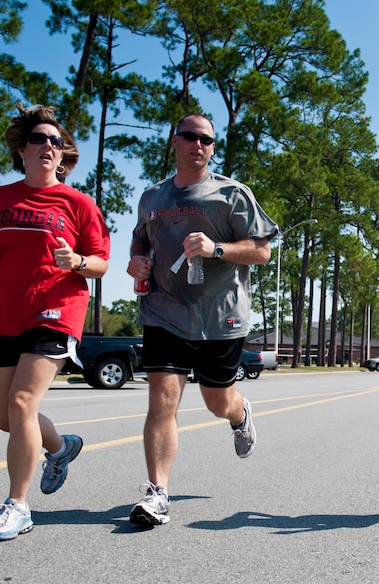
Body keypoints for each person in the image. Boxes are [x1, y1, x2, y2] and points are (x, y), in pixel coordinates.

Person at [0, 103, 111, 541]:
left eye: (55, 141)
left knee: (23, 403)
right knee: (8, 418)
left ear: (63, 155)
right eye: (39, 139)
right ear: (21, 150)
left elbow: (100, 264)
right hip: (1, 312)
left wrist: (78, 260)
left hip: (55, 308)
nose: (48, 146)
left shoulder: (78, 203)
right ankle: (60, 448)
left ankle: (17, 506)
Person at [126, 113, 278, 526]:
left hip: (221, 315)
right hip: (164, 312)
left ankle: (239, 413)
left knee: (217, 402)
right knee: (162, 402)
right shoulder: (152, 197)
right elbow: (141, 239)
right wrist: (137, 262)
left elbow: (261, 251)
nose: (199, 145)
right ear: (174, 141)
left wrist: (216, 249)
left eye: (208, 140)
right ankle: (157, 493)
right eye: (191, 137)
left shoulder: (231, 194)